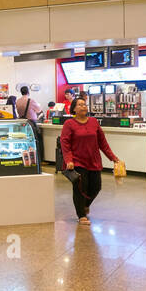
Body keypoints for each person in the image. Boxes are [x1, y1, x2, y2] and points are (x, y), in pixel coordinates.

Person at [60, 97, 123, 226]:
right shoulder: (69, 124)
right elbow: (65, 144)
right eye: (80, 105)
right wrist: (68, 160)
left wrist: (113, 158)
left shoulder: (94, 122)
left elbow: (102, 143)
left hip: (94, 161)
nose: (84, 106)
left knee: (96, 187)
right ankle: (81, 215)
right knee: (80, 189)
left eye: (85, 104)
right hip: (77, 162)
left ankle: (85, 205)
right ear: (74, 109)